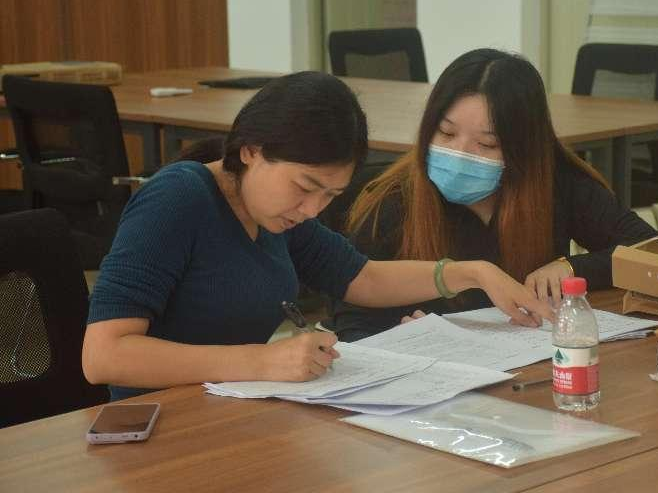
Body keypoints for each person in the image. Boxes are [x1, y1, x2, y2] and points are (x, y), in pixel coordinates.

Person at [82, 71, 553, 401]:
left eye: (330, 195)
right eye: (305, 187)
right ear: (251, 150)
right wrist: (261, 362)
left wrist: (472, 273)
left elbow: (361, 278)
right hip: (162, 421)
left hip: (230, 406)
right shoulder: (177, 200)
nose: (312, 210)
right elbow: (103, 355)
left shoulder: (275, 215)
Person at [327, 49, 658, 341]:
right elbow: (352, 320)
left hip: (530, 369)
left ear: (523, 150)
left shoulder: (554, 182)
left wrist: (572, 268)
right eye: (446, 133)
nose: (460, 155)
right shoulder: (394, 199)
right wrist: (398, 338)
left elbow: (650, 249)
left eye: (487, 144)